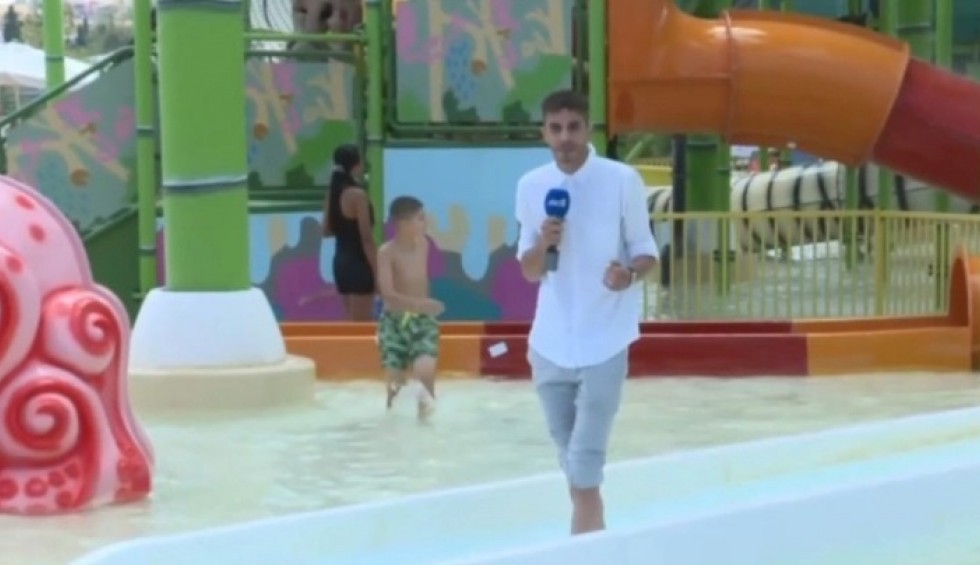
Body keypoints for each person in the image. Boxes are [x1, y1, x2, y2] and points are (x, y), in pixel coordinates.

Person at [514, 89, 658, 535]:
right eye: (555, 129)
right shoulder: (531, 186)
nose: (565, 138)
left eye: (573, 127)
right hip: (550, 343)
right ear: (544, 133)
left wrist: (628, 275)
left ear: (588, 129)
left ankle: (583, 548)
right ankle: (598, 542)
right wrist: (545, 241)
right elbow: (529, 271)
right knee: (571, 461)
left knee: (585, 460)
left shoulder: (622, 180)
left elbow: (647, 251)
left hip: (606, 339)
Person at [375, 196, 444, 420]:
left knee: (425, 370)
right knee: (395, 383)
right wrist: (420, 304)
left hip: (422, 319)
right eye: (420, 218)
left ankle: (427, 420)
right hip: (394, 322)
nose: (425, 222)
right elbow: (387, 293)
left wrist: (422, 307)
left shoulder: (423, 244)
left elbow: (420, 280)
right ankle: (393, 422)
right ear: (403, 223)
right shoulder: (387, 252)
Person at [323, 144, 377, 321]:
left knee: (351, 322)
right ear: (356, 165)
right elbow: (366, 239)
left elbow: (326, 231)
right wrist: (378, 271)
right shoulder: (357, 195)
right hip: (359, 263)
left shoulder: (333, 192)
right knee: (362, 325)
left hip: (340, 262)